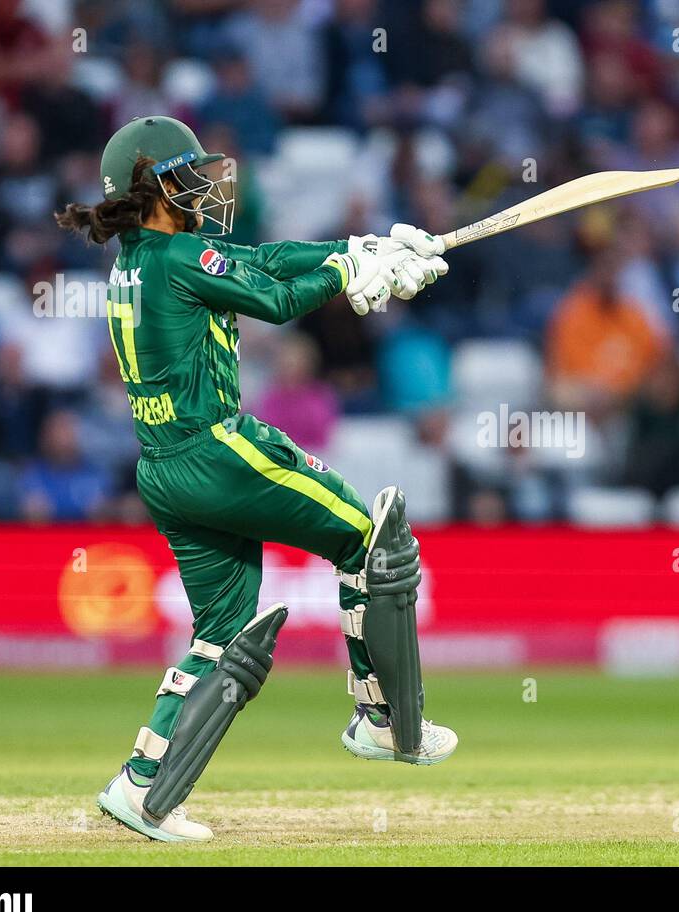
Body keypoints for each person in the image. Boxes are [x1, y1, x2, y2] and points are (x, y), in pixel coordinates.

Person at [55, 115, 457, 842]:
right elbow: (272, 298)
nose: (205, 187)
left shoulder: (143, 259)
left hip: (165, 469)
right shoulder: (177, 258)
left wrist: (359, 248)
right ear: (153, 189)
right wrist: (347, 274)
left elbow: (263, 259)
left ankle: (141, 786)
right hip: (218, 450)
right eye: (188, 176)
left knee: (222, 632)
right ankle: (384, 720)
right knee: (372, 543)